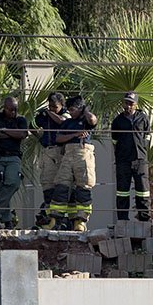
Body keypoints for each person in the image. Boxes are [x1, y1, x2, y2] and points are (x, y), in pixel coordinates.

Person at [48, 95, 98, 232]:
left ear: (80, 109)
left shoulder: (86, 120)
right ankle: (55, 219)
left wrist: (85, 110)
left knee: (84, 187)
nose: (70, 112)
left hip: (83, 154)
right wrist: (75, 135)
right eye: (69, 109)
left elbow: (93, 120)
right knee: (61, 185)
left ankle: (80, 221)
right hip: (68, 154)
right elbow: (58, 138)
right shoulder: (67, 123)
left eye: (73, 109)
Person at [0, 97, 30, 229]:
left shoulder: (20, 120)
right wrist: (11, 134)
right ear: (4, 108)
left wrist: (4, 130)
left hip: (13, 157)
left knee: (13, 183)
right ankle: (7, 222)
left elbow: (22, 134)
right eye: (11, 109)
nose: (13, 112)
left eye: (15, 109)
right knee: (0, 190)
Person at [111, 91, 151, 222]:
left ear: (136, 104)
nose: (128, 106)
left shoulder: (143, 118)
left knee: (143, 192)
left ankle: (144, 219)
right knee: (122, 191)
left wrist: (142, 151)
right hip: (123, 161)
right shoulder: (117, 121)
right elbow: (114, 141)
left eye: (131, 103)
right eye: (126, 103)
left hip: (140, 160)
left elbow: (147, 136)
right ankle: (122, 220)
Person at [33, 92, 68, 227]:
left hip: (61, 152)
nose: (52, 109)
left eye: (55, 107)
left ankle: (63, 219)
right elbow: (33, 124)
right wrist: (40, 137)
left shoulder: (66, 114)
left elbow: (61, 121)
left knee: (61, 186)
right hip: (47, 151)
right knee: (47, 184)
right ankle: (48, 217)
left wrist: (49, 113)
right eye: (50, 106)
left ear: (62, 105)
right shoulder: (45, 114)